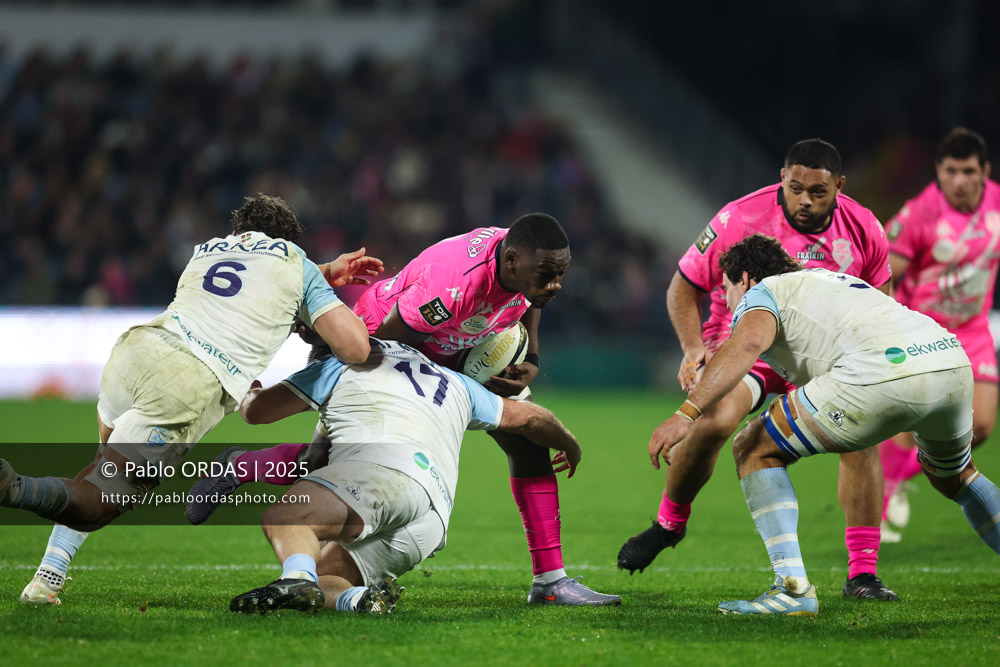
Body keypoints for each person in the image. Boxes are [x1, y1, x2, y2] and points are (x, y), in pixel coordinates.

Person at [186, 213, 620, 606]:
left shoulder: (528, 257)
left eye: (561, 274)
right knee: (322, 459)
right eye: (548, 275)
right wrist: (446, 391)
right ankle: (241, 466)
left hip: (457, 346)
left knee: (527, 441)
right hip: (380, 340)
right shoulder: (453, 285)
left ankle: (550, 580)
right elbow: (393, 347)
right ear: (511, 261)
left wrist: (533, 360)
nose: (555, 284)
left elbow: (530, 299)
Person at [6, 193, 382, 605]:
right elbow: (354, 348)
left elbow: (256, 276)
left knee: (101, 472)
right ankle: (10, 486)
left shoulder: (209, 249)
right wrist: (322, 284)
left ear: (239, 232)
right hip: (184, 382)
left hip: (137, 348)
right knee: (100, 503)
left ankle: (47, 579)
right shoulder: (298, 264)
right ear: (292, 242)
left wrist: (324, 272)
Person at [647, 233, 1000, 616]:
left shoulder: (762, 293)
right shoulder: (831, 279)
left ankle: (792, 590)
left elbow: (747, 343)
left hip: (881, 372)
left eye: (727, 289)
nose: (727, 300)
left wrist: (686, 414)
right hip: (948, 362)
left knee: (753, 446)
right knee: (956, 477)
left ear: (744, 279)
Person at [617, 139, 899, 601]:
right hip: (744, 347)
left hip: (817, 354)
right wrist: (692, 350)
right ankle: (669, 524)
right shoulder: (738, 218)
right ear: (782, 177)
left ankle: (862, 575)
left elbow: (881, 301)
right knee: (713, 420)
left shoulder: (864, 226)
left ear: (839, 187)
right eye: (795, 188)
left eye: (818, 192)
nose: (805, 200)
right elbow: (683, 287)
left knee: (860, 436)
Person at [225, 337, 592, 614]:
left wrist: (247, 384)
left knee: (285, 518)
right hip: (431, 520)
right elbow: (531, 418)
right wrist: (570, 443)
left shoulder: (340, 362)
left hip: (384, 474)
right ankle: (357, 600)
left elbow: (256, 413)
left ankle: (294, 582)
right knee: (326, 575)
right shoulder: (455, 381)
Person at [878, 127, 1000, 542]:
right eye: (951, 171)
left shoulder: (998, 203)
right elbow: (883, 271)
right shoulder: (919, 213)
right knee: (907, 420)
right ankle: (888, 487)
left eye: (968, 171)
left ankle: (898, 475)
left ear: (984, 171)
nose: (959, 181)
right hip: (922, 331)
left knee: (980, 425)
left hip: (972, 329)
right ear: (939, 171)